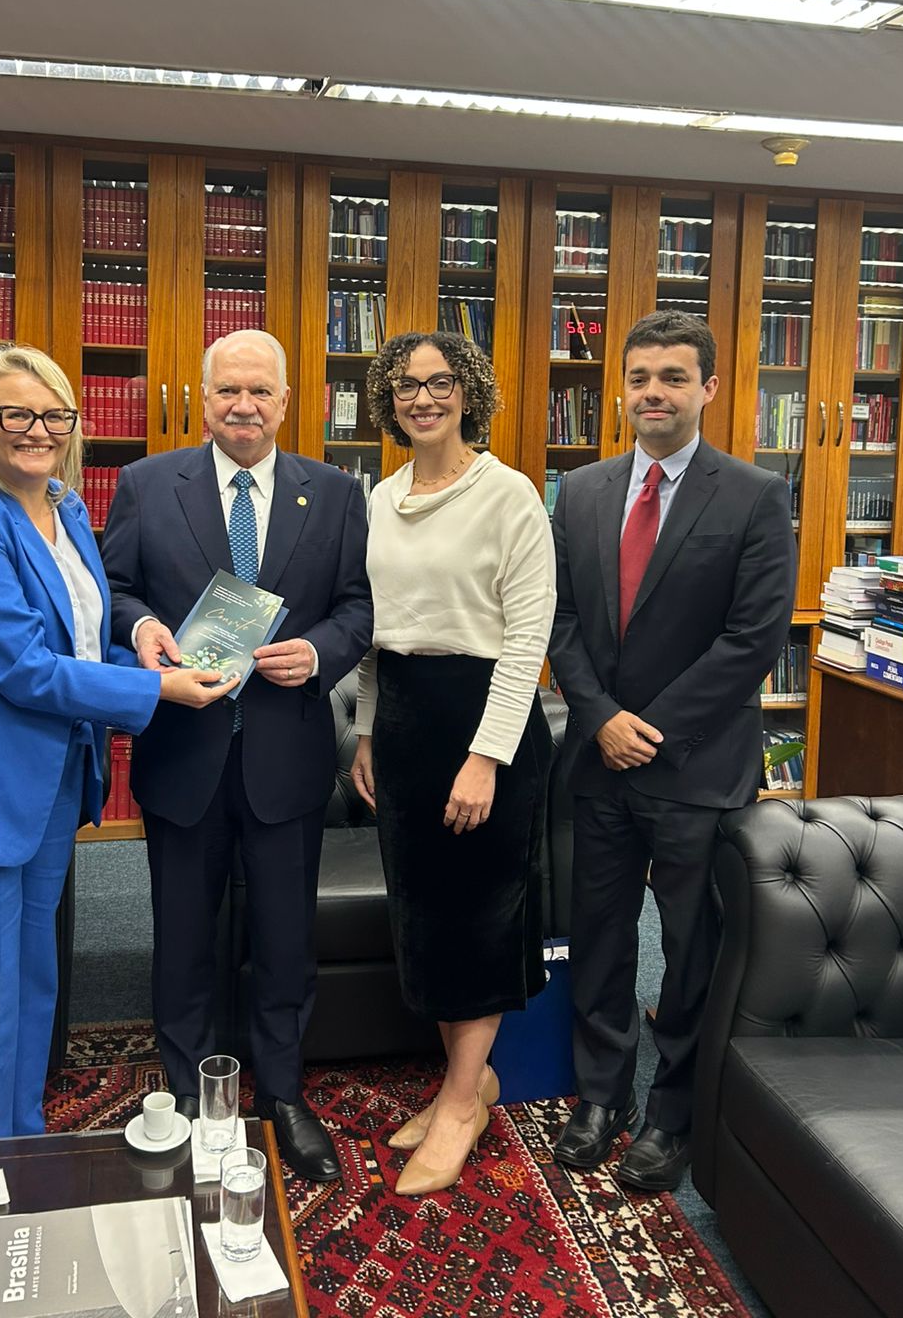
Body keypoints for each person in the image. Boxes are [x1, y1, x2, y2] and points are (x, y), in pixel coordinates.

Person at [0, 345, 234, 1141]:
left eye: (54, 415)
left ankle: (25, 1145)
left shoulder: (66, 509)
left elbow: (75, 643)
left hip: (46, 781)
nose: (37, 430)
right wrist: (158, 691)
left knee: (31, 980)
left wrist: (149, 653)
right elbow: (20, 667)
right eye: (17, 413)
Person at [101, 330, 372, 1182]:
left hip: (286, 755)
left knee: (286, 941)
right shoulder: (148, 484)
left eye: (259, 392)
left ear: (287, 402)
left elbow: (360, 606)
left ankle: (284, 1094)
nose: (243, 407)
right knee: (182, 936)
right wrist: (143, 628)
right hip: (185, 752)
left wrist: (321, 653)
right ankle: (188, 1097)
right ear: (204, 398)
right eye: (228, 391)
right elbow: (113, 590)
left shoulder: (335, 493)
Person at [548, 309, 797, 1193]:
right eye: (641, 377)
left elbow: (753, 638)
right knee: (600, 935)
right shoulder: (580, 491)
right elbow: (561, 620)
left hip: (696, 766)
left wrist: (646, 729)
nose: (654, 392)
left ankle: (675, 1109)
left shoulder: (755, 494)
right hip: (599, 761)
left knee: (691, 948)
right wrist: (601, 718)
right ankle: (602, 1093)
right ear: (622, 388)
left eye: (674, 377)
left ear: (709, 388)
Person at [350, 330, 556, 1197]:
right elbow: (374, 631)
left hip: (484, 721)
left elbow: (528, 637)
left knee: (477, 917)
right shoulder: (381, 497)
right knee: (425, 915)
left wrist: (486, 757)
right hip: (403, 722)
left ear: (468, 392)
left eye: (439, 382)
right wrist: (367, 729)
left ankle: (462, 1104)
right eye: (405, 385)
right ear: (387, 401)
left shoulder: (508, 495)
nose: (422, 397)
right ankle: (467, 1085)